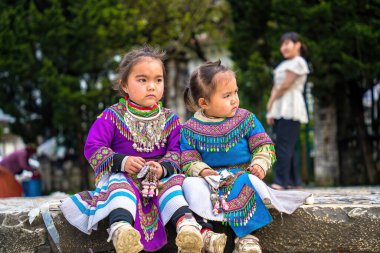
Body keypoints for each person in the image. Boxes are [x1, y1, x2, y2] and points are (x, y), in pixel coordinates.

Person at [60, 45, 225, 253]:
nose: (152, 86)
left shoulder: (171, 119)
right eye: (142, 80)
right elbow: (93, 147)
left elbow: (176, 153)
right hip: (123, 175)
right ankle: (122, 231)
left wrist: (162, 168)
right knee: (120, 188)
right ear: (125, 85)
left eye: (158, 80)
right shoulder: (112, 116)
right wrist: (122, 161)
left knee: (175, 186)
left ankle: (188, 229)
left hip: (158, 179)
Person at [180, 60, 312, 253]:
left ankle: (247, 237)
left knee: (245, 181)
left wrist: (260, 163)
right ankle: (206, 233)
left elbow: (263, 145)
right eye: (226, 95)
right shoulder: (190, 129)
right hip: (210, 181)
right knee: (188, 185)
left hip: (243, 174)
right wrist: (203, 170)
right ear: (204, 103)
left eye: (236, 92)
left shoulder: (246, 119)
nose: (234, 99)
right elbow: (188, 158)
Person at [266, 32, 310, 190]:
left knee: (285, 145)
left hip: (291, 106)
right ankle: (293, 181)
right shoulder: (282, 65)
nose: (283, 47)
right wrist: (270, 110)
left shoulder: (299, 62)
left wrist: (271, 101)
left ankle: (281, 181)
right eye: (282, 44)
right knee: (285, 144)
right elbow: (275, 86)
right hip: (279, 107)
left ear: (297, 44)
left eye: (287, 43)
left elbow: (285, 85)